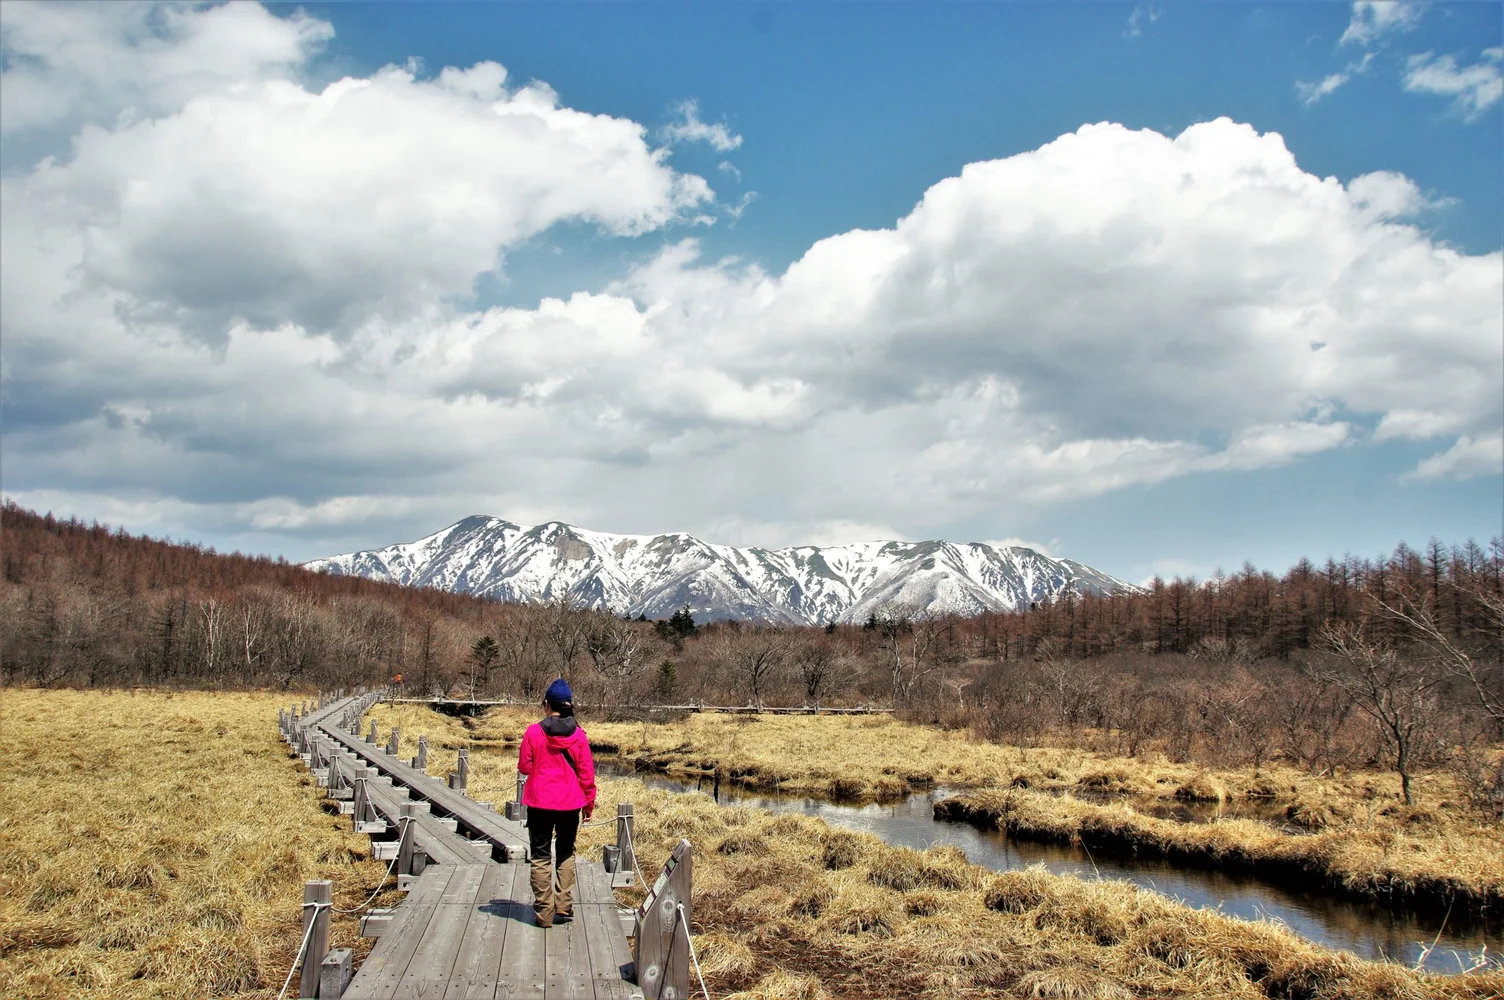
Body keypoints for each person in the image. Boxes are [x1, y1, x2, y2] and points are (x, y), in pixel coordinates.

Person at [517, 677, 596, 927]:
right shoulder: (580, 736)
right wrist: (589, 805)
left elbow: (524, 767)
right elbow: (586, 774)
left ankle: (544, 913)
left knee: (540, 856)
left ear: (546, 704)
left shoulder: (533, 732)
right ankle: (564, 906)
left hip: (540, 803)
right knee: (565, 853)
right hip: (570, 804)